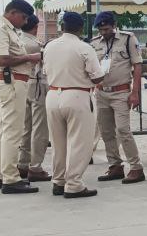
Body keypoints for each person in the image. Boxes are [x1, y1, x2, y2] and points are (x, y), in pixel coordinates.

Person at [43, 12, 105, 199]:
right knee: (79, 142)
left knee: (58, 142)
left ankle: (58, 180)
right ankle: (74, 183)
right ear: (80, 28)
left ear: (62, 26)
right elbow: (97, 76)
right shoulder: (83, 47)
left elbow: (46, 71)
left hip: (54, 94)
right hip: (77, 94)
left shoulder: (49, 46)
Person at [0, 0, 42, 194]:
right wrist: (29, 57)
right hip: (11, 81)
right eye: (24, 17)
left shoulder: (6, 28)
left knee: (6, 130)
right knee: (13, 131)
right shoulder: (2, 28)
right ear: (13, 13)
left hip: (11, 81)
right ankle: (10, 178)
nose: (25, 21)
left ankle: (3, 174)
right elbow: (2, 59)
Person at [90, 11, 145, 184]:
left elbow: (137, 66)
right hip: (101, 92)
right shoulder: (94, 43)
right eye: (100, 29)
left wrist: (135, 92)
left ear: (114, 25)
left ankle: (136, 167)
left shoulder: (128, 39)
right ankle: (115, 165)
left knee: (123, 129)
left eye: (106, 28)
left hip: (121, 92)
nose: (103, 32)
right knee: (106, 131)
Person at [18, 14, 51, 183]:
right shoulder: (33, 44)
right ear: (36, 26)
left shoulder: (19, 40)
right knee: (40, 129)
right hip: (37, 85)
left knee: (26, 127)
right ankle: (35, 166)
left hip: (24, 85)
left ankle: (23, 163)